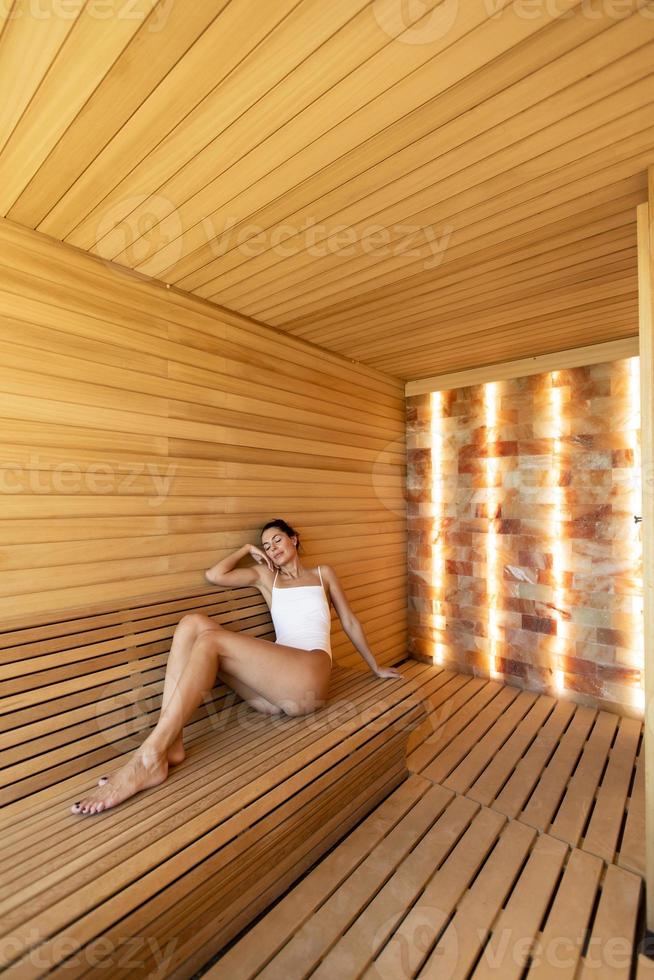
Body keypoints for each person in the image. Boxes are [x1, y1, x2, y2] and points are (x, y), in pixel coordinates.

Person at [71, 518, 402, 815]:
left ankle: (147, 757)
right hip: (273, 692)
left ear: (294, 539)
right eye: (267, 545)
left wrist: (374, 666)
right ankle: (170, 746)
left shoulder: (322, 574)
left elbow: (349, 621)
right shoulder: (266, 578)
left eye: (278, 540)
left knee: (211, 642)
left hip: (310, 677)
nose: (273, 548)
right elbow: (215, 575)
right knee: (192, 624)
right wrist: (246, 549)